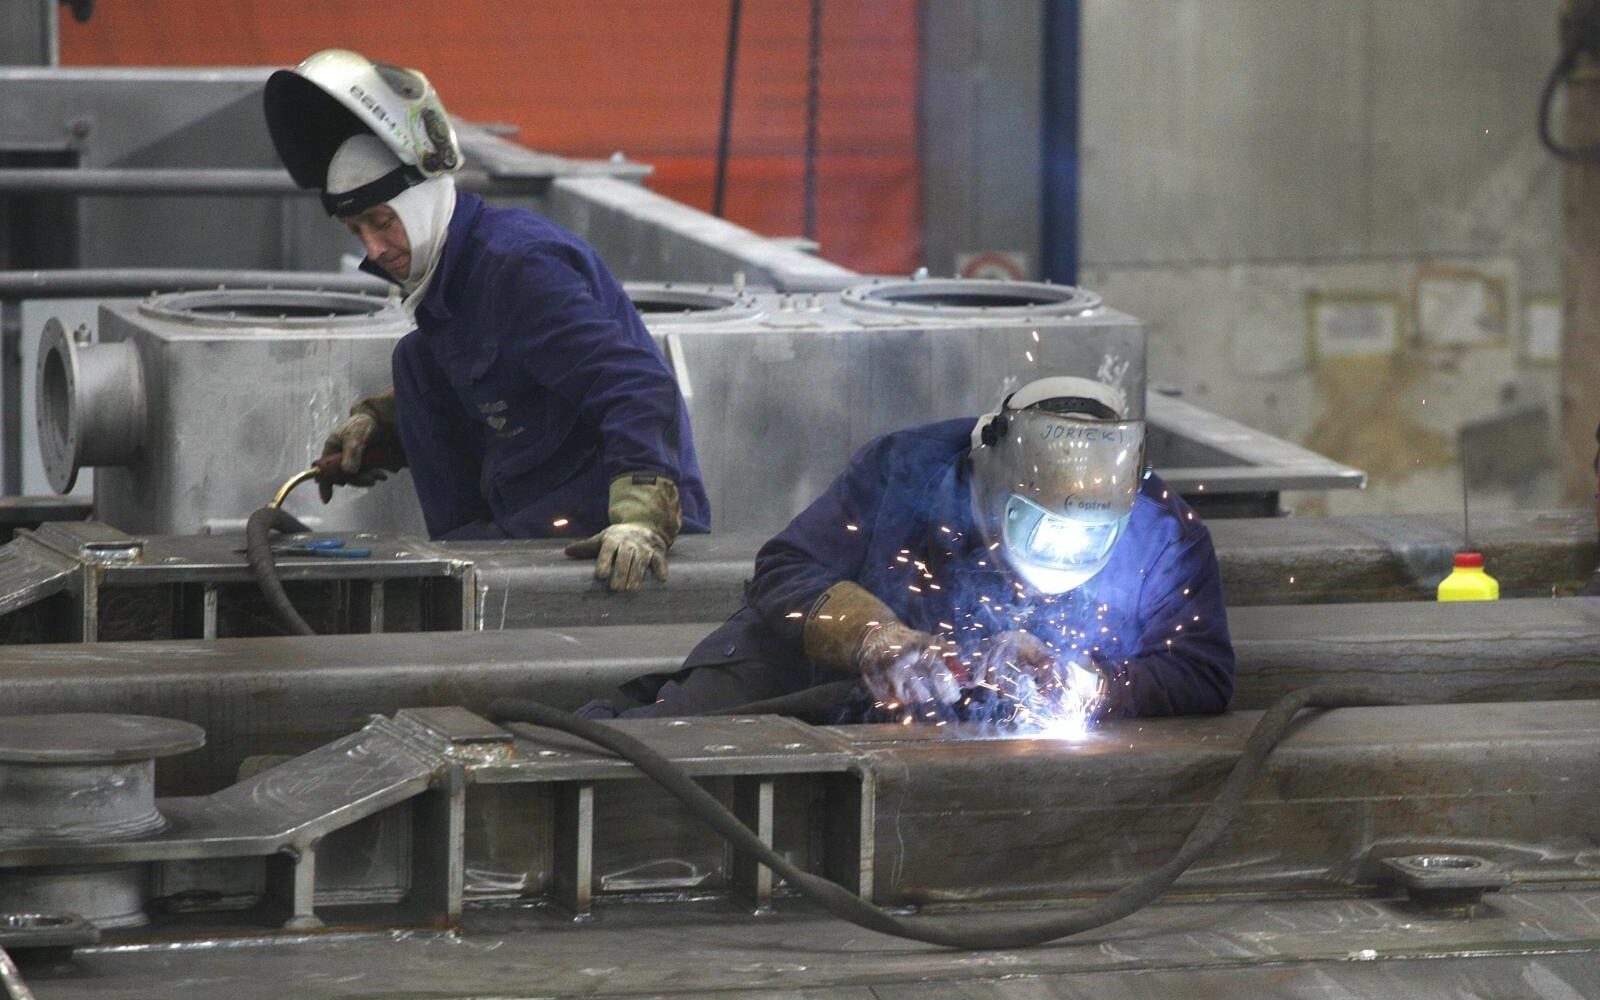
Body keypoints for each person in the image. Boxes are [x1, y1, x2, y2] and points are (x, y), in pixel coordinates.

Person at [262, 49, 709, 591]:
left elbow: (636, 384)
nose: (374, 250)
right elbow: (496, 373)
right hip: (526, 518)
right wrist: (383, 426)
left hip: (601, 534)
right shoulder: (455, 288)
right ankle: (461, 553)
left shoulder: (517, 268)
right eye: (358, 231)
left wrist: (640, 519)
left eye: (382, 222)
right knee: (415, 361)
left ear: (421, 197)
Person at [588, 375, 1234, 725]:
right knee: (660, 745)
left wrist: (1088, 684)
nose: (1065, 553)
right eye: (1044, 528)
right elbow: (784, 571)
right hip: (801, 678)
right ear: (990, 482)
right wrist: (872, 637)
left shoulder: (1164, 532)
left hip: (956, 729)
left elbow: (1200, 673)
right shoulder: (908, 467)